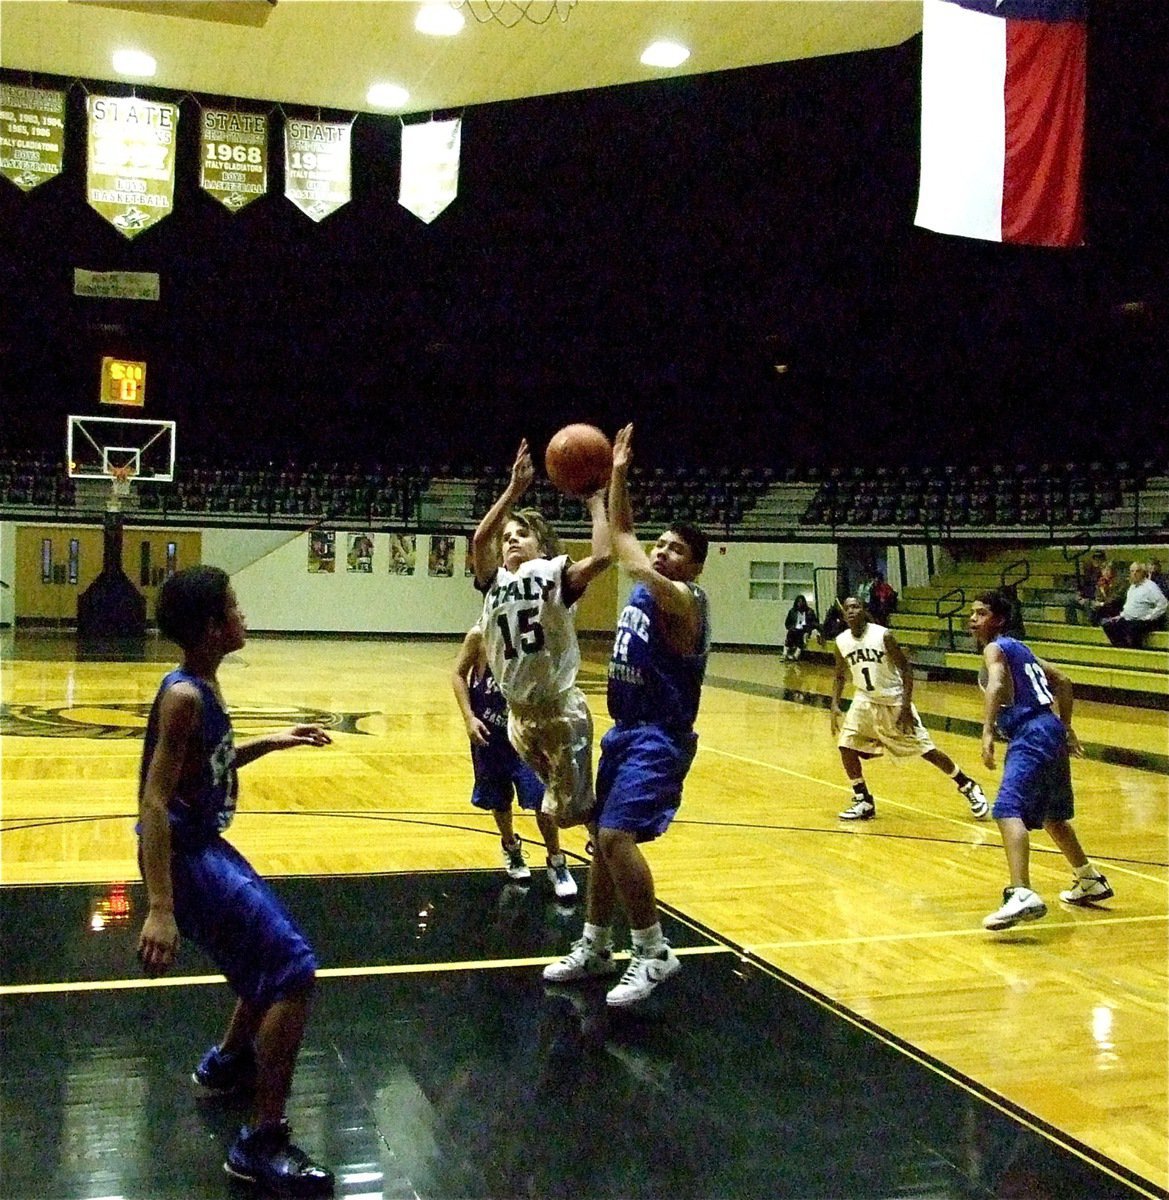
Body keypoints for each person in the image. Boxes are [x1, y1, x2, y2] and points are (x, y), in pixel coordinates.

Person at [136, 566, 333, 1197]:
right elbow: (154, 803)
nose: (243, 616)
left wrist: (272, 742)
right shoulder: (184, 697)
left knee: (267, 964)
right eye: (235, 608)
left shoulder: (201, 687)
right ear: (212, 628)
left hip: (198, 845)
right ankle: (261, 1142)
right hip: (185, 856)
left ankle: (227, 1065)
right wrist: (161, 907)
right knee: (293, 970)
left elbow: (207, 765)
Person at [543, 424, 710, 1008]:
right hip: (625, 731)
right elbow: (629, 535)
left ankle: (653, 951)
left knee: (616, 837)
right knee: (597, 837)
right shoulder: (648, 586)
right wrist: (612, 478)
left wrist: (615, 476)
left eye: (677, 551)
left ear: (694, 568)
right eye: (662, 545)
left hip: (659, 737)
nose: (663, 553)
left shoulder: (682, 599)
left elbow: (628, 547)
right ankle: (595, 944)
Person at [471, 438, 611, 830]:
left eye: (522, 534)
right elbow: (481, 539)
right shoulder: (494, 581)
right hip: (517, 716)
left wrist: (595, 500)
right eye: (508, 536)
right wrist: (513, 490)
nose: (511, 539)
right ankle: (601, 842)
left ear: (543, 546)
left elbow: (602, 557)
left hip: (559, 712)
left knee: (567, 814)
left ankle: (609, 849)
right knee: (568, 808)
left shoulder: (553, 574)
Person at [969, 590, 1113, 931]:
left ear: (999, 620)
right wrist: (1065, 727)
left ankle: (1021, 892)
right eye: (972, 613)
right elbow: (1063, 680)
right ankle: (1089, 878)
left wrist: (987, 730)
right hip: (1049, 729)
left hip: (1031, 732)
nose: (973, 619)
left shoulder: (996, 648)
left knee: (1006, 809)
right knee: (1052, 816)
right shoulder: (1023, 649)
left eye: (981, 613)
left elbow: (998, 683)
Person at [830, 595, 989, 821]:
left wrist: (905, 707)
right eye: (847, 608)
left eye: (856, 606)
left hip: (893, 700)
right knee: (846, 746)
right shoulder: (841, 641)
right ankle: (863, 799)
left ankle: (968, 785)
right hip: (864, 700)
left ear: (864, 610)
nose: (852, 611)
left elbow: (906, 669)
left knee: (927, 750)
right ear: (843, 614)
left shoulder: (882, 635)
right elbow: (839, 675)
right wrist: (834, 703)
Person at [451, 623, 577, 899]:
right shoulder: (479, 635)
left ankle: (556, 860)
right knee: (498, 797)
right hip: (489, 734)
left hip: (526, 732)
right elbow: (458, 675)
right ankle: (511, 846)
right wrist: (468, 717)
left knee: (541, 799)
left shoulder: (533, 633)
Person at [1100, 561, 1169, 647]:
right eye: (1132, 571)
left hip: (1145, 621)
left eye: (1137, 571)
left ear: (1143, 573)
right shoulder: (1132, 587)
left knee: (1133, 628)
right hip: (1130, 618)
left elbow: (1163, 603)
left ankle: (1136, 651)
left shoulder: (1150, 586)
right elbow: (1130, 606)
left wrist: (1150, 617)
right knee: (1108, 625)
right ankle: (1123, 648)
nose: (1134, 574)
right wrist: (1121, 616)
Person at [782, 593, 819, 661]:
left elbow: (814, 623)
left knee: (800, 636)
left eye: (801, 602)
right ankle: (785, 654)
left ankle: (796, 655)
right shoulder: (792, 611)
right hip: (794, 629)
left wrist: (808, 629)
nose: (800, 604)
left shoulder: (809, 612)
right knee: (790, 634)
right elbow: (787, 623)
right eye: (798, 602)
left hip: (804, 630)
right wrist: (791, 627)